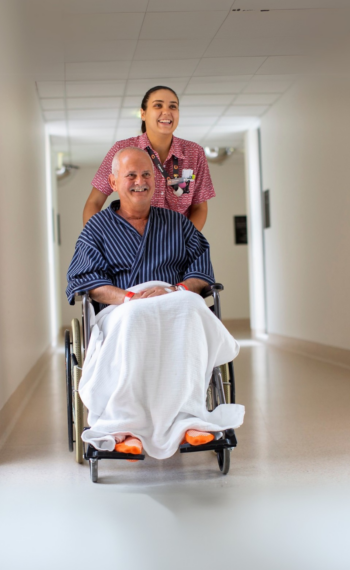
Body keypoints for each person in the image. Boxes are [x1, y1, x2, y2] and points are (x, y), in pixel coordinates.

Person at [66, 147, 244, 459]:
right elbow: (86, 282)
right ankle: (126, 426)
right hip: (123, 308)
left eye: (146, 174)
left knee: (191, 307)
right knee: (135, 316)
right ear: (113, 182)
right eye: (130, 175)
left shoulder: (177, 224)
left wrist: (177, 290)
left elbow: (201, 270)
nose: (139, 181)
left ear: (156, 181)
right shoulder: (96, 228)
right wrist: (128, 298)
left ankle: (188, 420)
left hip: (173, 301)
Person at [81, 85, 215, 232]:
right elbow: (94, 202)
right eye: (158, 105)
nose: (166, 112)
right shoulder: (122, 150)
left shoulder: (194, 153)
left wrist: (184, 244)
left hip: (176, 248)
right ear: (143, 114)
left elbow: (200, 208)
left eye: (173, 106)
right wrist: (98, 243)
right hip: (130, 244)